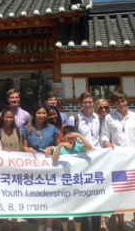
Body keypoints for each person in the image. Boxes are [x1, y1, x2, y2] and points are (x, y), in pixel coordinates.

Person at [101, 91, 135, 231]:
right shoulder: (109, 118)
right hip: (119, 161)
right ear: (114, 104)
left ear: (126, 101)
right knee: (120, 193)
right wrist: (107, 143)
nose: (121, 104)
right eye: (117, 102)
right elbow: (104, 135)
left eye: (123, 101)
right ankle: (121, 224)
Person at [64, 92, 102, 231]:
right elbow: (69, 138)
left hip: (97, 160)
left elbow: (102, 137)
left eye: (90, 102)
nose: (87, 105)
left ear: (94, 103)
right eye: (85, 102)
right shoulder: (73, 119)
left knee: (97, 194)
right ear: (80, 103)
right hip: (80, 160)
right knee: (83, 194)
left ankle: (97, 226)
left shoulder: (100, 118)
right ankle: (84, 226)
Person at [22, 105, 59, 231]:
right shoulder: (27, 128)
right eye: (39, 113)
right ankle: (41, 224)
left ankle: (49, 226)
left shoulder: (53, 128)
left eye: (44, 113)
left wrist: (52, 148)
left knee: (49, 196)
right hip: (34, 167)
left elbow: (60, 147)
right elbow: (24, 147)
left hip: (50, 167)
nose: (42, 115)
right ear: (34, 114)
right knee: (38, 196)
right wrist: (28, 149)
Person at [51, 126, 93, 231]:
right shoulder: (58, 148)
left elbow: (89, 147)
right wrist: (60, 145)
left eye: (72, 136)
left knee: (77, 209)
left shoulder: (78, 147)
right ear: (63, 137)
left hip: (77, 184)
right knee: (63, 209)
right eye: (68, 136)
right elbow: (54, 159)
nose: (70, 139)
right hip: (63, 184)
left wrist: (78, 135)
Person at [0, 107, 22, 231]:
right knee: (4, 198)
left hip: (16, 171)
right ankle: (5, 225)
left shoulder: (18, 131)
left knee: (15, 198)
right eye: (6, 117)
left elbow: (22, 150)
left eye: (11, 117)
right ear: (2, 117)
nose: (9, 119)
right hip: (3, 171)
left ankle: (15, 225)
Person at [94, 98, 111, 230]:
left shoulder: (113, 119)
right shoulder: (96, 120)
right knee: (100, 189)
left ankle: (115, 217)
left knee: (114, 188)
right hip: (98, 158)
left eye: (106, 107)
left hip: (112, 158)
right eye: (101, 108)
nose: (104, 110)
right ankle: (101, 217)